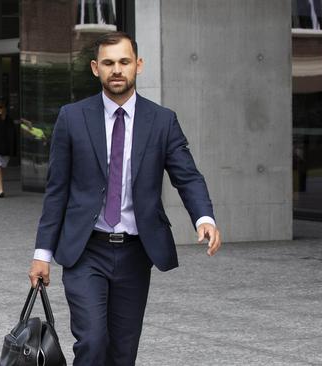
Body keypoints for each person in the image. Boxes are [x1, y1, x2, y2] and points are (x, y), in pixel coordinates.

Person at [28, 32, 222, 365]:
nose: (116, 70)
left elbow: (187, 175)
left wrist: (204, 218)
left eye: (124, 62)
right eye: (108, 63)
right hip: (85, 250)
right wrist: (42, 253)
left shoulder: (162, 120)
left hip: (135, 252)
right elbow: (57, 189)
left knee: (123, 350)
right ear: (95, 68)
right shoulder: (72, 118)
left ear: (138, 65)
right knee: (92, 340)